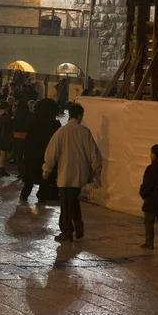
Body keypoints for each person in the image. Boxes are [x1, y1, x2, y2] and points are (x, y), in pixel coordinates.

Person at [43, 103, 102, 242]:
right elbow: (94, 154)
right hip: (80, 174)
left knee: (66, 204)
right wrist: (96, 171)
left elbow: (52, 152)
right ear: (80, 116)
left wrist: (47, 168)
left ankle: (67, 231)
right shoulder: (85, 132)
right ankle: (78, 225)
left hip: (65, 174)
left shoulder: (62, 132)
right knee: (73, 200)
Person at [21, 98, 61, 203]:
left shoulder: (33, 122)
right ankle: (42, 195)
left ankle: (25, 195)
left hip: (32, 154)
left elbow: (28, 139)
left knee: (29, 178)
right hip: (47, 154)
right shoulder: (55, 125)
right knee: (46, 176)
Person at [12, 99, 32, 180]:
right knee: (27, 155)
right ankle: (27, 172)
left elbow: (13, 125)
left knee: (19, 156)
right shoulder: (30, 115)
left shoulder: (17, 114)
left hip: (17, 136)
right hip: (27, 137)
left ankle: (21, 173)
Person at [0, 100, 12, 177]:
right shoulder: (5, 115)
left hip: (0, 135)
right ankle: (0, 167)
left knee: (3, 153)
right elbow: (6, 127)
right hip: (4, 136)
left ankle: (0, 167)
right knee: (4, 153)